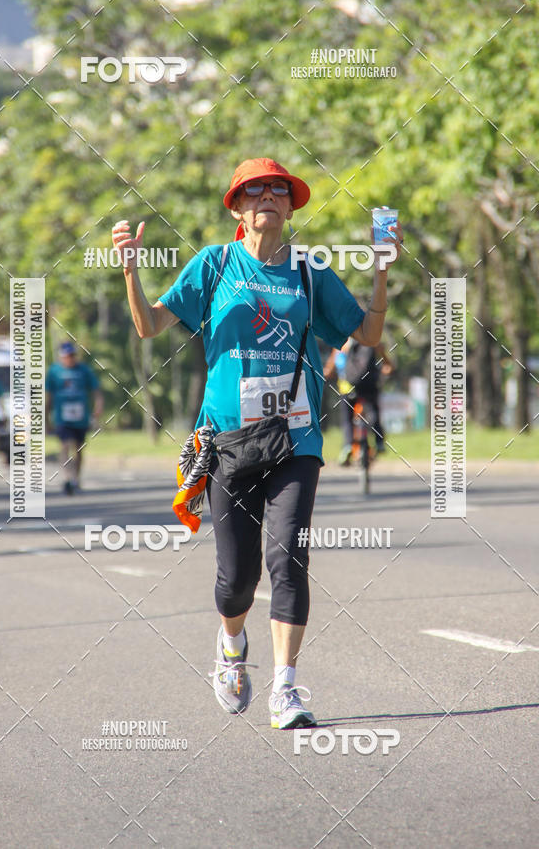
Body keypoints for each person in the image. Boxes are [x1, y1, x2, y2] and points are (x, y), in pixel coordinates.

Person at [112, 157, 402, 729]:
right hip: (229, 442)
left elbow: (366, 333)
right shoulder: (214, 264)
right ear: (238, 209)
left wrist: (381, 272)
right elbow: (148, 325)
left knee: (288, 556)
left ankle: (286, 688)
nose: (268, 196)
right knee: (236, 579)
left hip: (296, 436)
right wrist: (129, 271)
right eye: (254, 190)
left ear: (290, 207)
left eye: (278, 190)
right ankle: (231, 644)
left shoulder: (310, 271)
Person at [323, 338, 395, 463]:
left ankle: (347, 445)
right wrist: (387, 368)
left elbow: (329, 369)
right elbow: (388, 364)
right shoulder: (372, 341)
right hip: (369, 386)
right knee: (374, 411)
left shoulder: (341, 344)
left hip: (347, 388)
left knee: (347, 418)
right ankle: (379, 442)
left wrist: (327, 373)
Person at [46, 342, 103, 495]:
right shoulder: (54, 371)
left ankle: (76, 478)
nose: (69, 359)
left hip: (80, 417)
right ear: (61, 357)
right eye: (66, 356)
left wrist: (98, 409)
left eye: (72, 356)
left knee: (78, 448)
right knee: (65, 445)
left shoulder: (84, 370)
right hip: (62, 417)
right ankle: (67, 478)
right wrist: (46, 417)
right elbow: (49, 395)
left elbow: (96, 390)